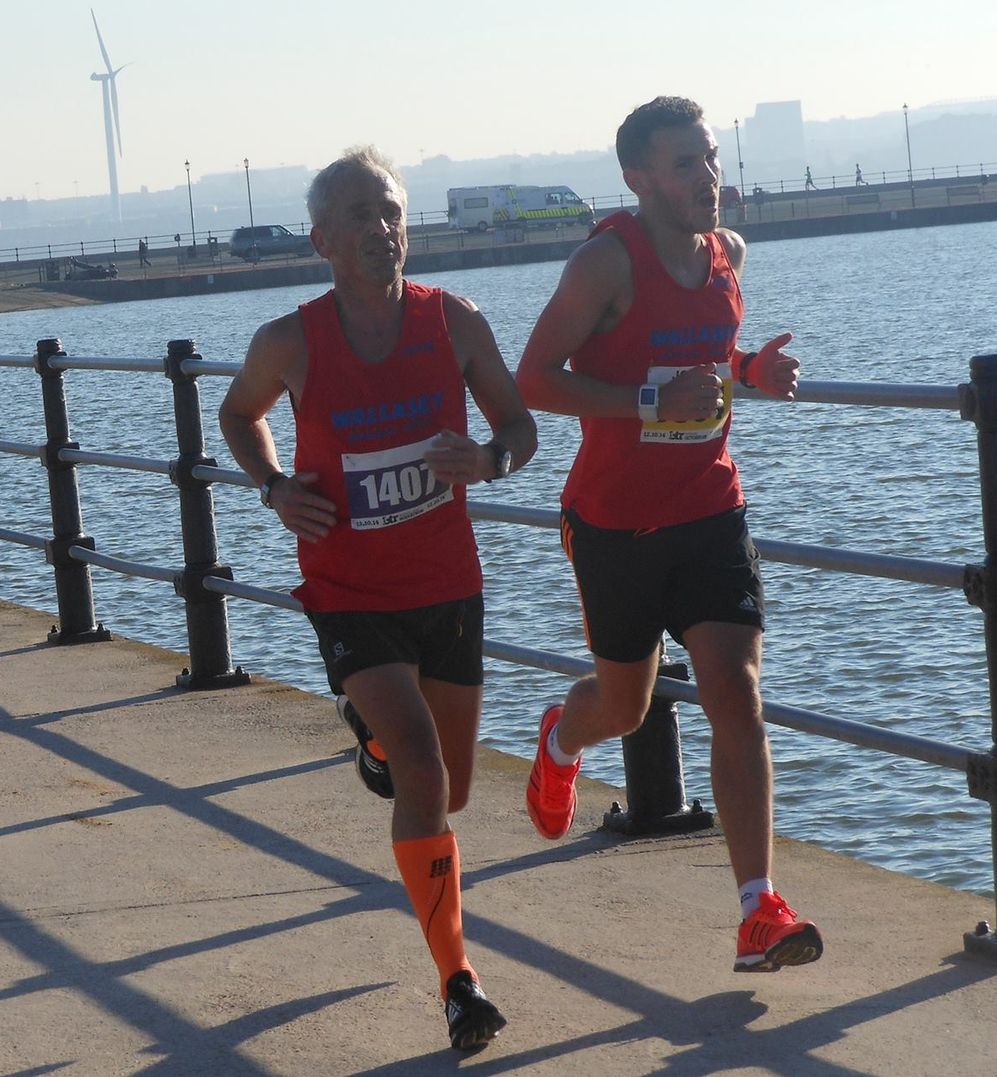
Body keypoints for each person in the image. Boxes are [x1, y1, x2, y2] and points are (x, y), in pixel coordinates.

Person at [218, 145, 536, 1049]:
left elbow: (519, 427)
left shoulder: (456, 323)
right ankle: (458, 983)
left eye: (390, 211)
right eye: (357, 216)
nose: (379, 229)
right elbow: (239, 416)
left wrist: (488, 459)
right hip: (350, 590)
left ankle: (373, 743)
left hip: (447, 584)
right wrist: (276, 488)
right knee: (426, 770)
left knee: (451, 789)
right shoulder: (290, 341)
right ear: (321, 239)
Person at [515, 96, 823, 974]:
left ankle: (755, 908)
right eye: (684, 165)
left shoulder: (727, 253)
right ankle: (559, 740)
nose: (707, 179)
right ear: (638, 179)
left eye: (712, 159)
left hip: (710, 510)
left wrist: (749, 370)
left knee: (737, 692)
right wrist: (650, 402)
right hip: (614, 522)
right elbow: (534, 378)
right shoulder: (602, 265)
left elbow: (706, 360)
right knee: (626, 705)